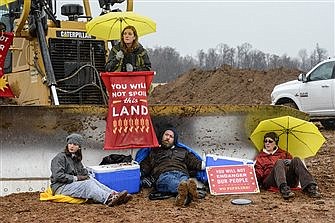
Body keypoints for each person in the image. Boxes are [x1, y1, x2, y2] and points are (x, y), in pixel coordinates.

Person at [50, 133, 133, 206]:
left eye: (75, 144)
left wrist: (86, 173)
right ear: (67, 145)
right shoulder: (60, 157)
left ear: (79, 147)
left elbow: (83, 172)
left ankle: (114, 194)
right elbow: (58, 176)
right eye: (70, 143)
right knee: (87, 185)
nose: (71, 146)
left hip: (70, 184)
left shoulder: (75, 158)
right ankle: (108, 199)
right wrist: (77, 178)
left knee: (91, 180)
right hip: (60, 187)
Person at [140, 127, 206, 207]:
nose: (168, 138)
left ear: (174, 140)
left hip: (182, 173)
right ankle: (189, 192)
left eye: (171, 136)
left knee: (184, 181)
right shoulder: (154, 152)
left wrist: (209, 164)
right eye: (166, 135)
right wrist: (141, 175)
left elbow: (196, 163)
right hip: (163, 175)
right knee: (175, 182)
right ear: (162, 136)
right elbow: (144, 167)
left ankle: (182, 197)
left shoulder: (183, 151)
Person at [254, 132, 321, 200]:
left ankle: (310, 187)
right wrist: (254, 183)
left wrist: (290, 161)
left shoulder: (283, 153)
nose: (267, 143)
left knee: (296, 159)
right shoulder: (261, 156)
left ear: (275, 143)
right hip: (270, 181)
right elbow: (258, 173)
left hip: (288, 180)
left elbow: (294, 167)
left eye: (270, 141)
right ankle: (284, 190)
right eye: (265, 141)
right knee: (279, 162)